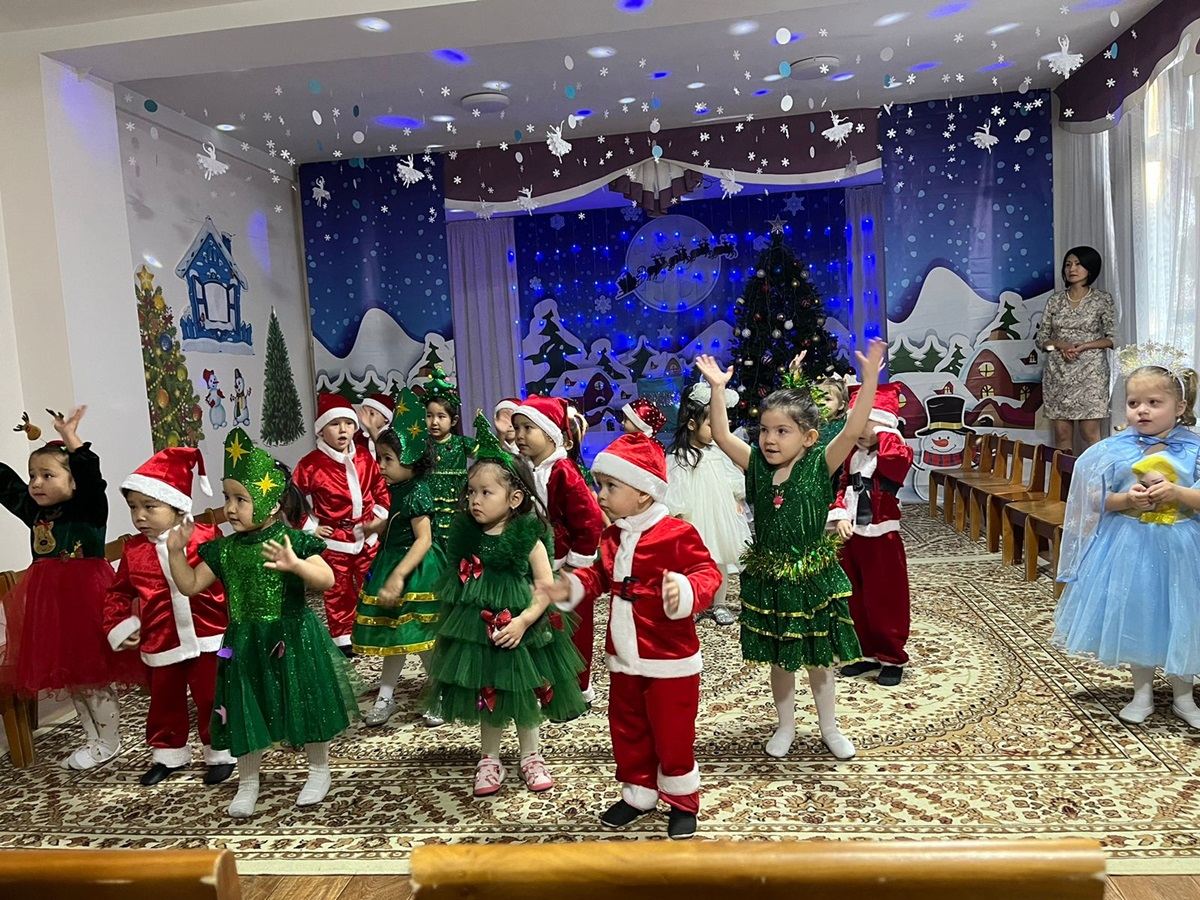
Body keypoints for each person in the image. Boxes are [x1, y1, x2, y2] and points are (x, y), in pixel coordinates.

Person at [694, 337, 887, 761]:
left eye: (782, 431)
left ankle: (829, 727)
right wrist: (718, 389)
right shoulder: (756, 466)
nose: (769, 439)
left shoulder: (820, 464)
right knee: (781, 659)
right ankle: (785, 726)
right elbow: (722, 434)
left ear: (809, 437)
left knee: (819, 659)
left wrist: (870, 379)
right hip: (771, 578)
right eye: (765, 430)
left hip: (811, 577)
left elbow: (852, 429)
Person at [166, 428, 359, 818]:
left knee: (305, 701)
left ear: (271, 503)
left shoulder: (292, 541)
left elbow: (327, 579)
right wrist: (174, 553)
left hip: (294, 635)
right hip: (241, 641)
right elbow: (189, 586)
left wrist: (295, 565)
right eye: (227, 498)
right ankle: (248, 781)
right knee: (243, 706)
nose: (230, 508)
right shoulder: (225, 549)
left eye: (241, 499)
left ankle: (319, 770)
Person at [542, 433, 721, 840]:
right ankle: (639, 793)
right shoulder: (612, 537)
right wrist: (570, 586)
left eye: (610, 486)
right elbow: (599, 576)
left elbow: (707, 573)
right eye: (599, 485)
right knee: (627, 726)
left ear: (643, 493)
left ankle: (681, 799)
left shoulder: (677, 534)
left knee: (672, 731)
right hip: (624, 654)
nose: (600, 495)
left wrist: (686, 591)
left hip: (670, 657)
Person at [422, 413, 586, 797]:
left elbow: (544, 587)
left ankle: (532, 756)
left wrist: (524, 621)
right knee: (488, 692)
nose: (474, 500)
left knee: (525, 691)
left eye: (485, 493)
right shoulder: (468, 535)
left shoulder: (529, 536)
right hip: (479, 633)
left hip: (522, 629)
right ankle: (489, 758)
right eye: (471, 492)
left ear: (514, 499)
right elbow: (459, 581)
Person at [1054, 344, 1200, 727]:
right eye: (1134, 403)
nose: (1142, 411)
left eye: (1154, 402)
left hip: (1184, 545)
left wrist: (1177, 492)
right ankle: (1142, 692)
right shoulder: (1114, 450)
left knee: (1184, 616)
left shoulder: (1195, 449)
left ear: (1180, 407)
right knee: (1139, 614)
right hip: (1131, 545)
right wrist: (1126, 499)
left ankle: (1184, 696)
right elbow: (1095, 499)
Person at [0, 407, 145, 770]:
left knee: (93, 676)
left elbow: (92, 476)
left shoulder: (88, 508)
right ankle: (93, 740)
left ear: (73, 481)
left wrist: (71, 439)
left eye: (47, 475)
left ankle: (109, 741)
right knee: (74, 679)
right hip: (52, 606)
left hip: (87, 602)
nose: (36, 483)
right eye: (33, 475)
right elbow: (5, 485)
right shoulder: (36, 512)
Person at [102, 447, 235, 786]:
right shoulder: (134, 551)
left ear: (177, 507)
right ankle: (168, 754)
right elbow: (118, 593)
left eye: (150, 506)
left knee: (212, 696)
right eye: (133, 508)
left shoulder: (207, 537)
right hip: (161, 641)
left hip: (209, 635)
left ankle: (220, 750)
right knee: (164, 701)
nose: (139, 516)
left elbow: (231, 579)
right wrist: (120, 624)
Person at [353, 427, 448, 727]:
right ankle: (385, 695)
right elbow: (400, 520)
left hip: (416, 570)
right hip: (392, 560)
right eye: (379, 457)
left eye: (388, 459)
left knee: (422, 635)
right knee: (395, 632)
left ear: (411, 461)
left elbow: (423, 539)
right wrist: (378, 527)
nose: (380, 465)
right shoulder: (397, 488)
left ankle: (439, 692)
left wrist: (398, 576)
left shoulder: (418, 491)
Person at [512, 395, 604, 702]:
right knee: (544, 623)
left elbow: (590, 520)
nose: (519, 435)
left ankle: (578, 688)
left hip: (568, 564)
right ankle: (547, 683)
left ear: (551, 434)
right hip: (541, 558)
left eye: (528, 428)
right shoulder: (525, 468)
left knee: (574, 627)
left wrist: (575, 565)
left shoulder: (564, 471)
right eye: (517, 428)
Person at [827, 384, 914, 686]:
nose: (858, 430)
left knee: (885, 598)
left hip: (881, 538)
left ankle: (891, 656)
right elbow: (842, 487)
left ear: (885, 423)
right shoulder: (854, 455)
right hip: (852, 537)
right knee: (855, 598)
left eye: (865, 421)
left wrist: (883, 431)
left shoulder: (896, 450)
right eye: (854, 422)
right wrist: (839, 515)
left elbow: (894, 460)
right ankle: (864, 653)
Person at [293, 393, 390, 653]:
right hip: (335, 541)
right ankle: (343, 637)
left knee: (373, 583)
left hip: (366, 536)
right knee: (339, 590)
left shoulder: (364, 457)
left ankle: (375, 629)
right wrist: (311, 526)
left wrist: (378, 516)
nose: (343, 430)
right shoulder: (311, 465)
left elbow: (380, 488)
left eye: (348, 423)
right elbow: (292, 499)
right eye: (335, 424)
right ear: (321, 430)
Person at [665, 381, 751, 626]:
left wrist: (736, 498)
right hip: (694, 516)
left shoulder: (718, 452)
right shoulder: (679, 456)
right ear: (692, 424)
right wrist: (678, 513)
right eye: (712, 425)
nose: (718, 431)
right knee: (694, 562)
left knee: (720, 557)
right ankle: (696, 603)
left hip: (719, 513)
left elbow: (732, 478)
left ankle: (720, 603)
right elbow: (675, 488)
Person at [1035, 246, 1116, 452]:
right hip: (1058, 373)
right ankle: (1065, 474)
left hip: (1090, 373)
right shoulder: (1055, 301)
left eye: (1078, 264)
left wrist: (1085, 346)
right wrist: (1059, 344)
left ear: (1090, 268)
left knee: (1090, 432)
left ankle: (1095, 473)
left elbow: (1113, 338)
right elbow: (1042, 340)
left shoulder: (1102, 299)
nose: (1072, 269)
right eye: (1068, 264)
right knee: (1062, 434)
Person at [423, 367, 477, 549]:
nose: (434, 422)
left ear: (453, 421)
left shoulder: (461, 443)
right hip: (428, 501)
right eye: (429, 416)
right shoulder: (422, 445)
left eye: (441, 416)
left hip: (457, 502)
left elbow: (488, 456)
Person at [355, 392, 396, 456]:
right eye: (365, 413)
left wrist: (372, 429)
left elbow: (388, 455)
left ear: (386, 418)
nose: (367, 418)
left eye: (372, 414)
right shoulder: (358, 437)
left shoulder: (393, 436)